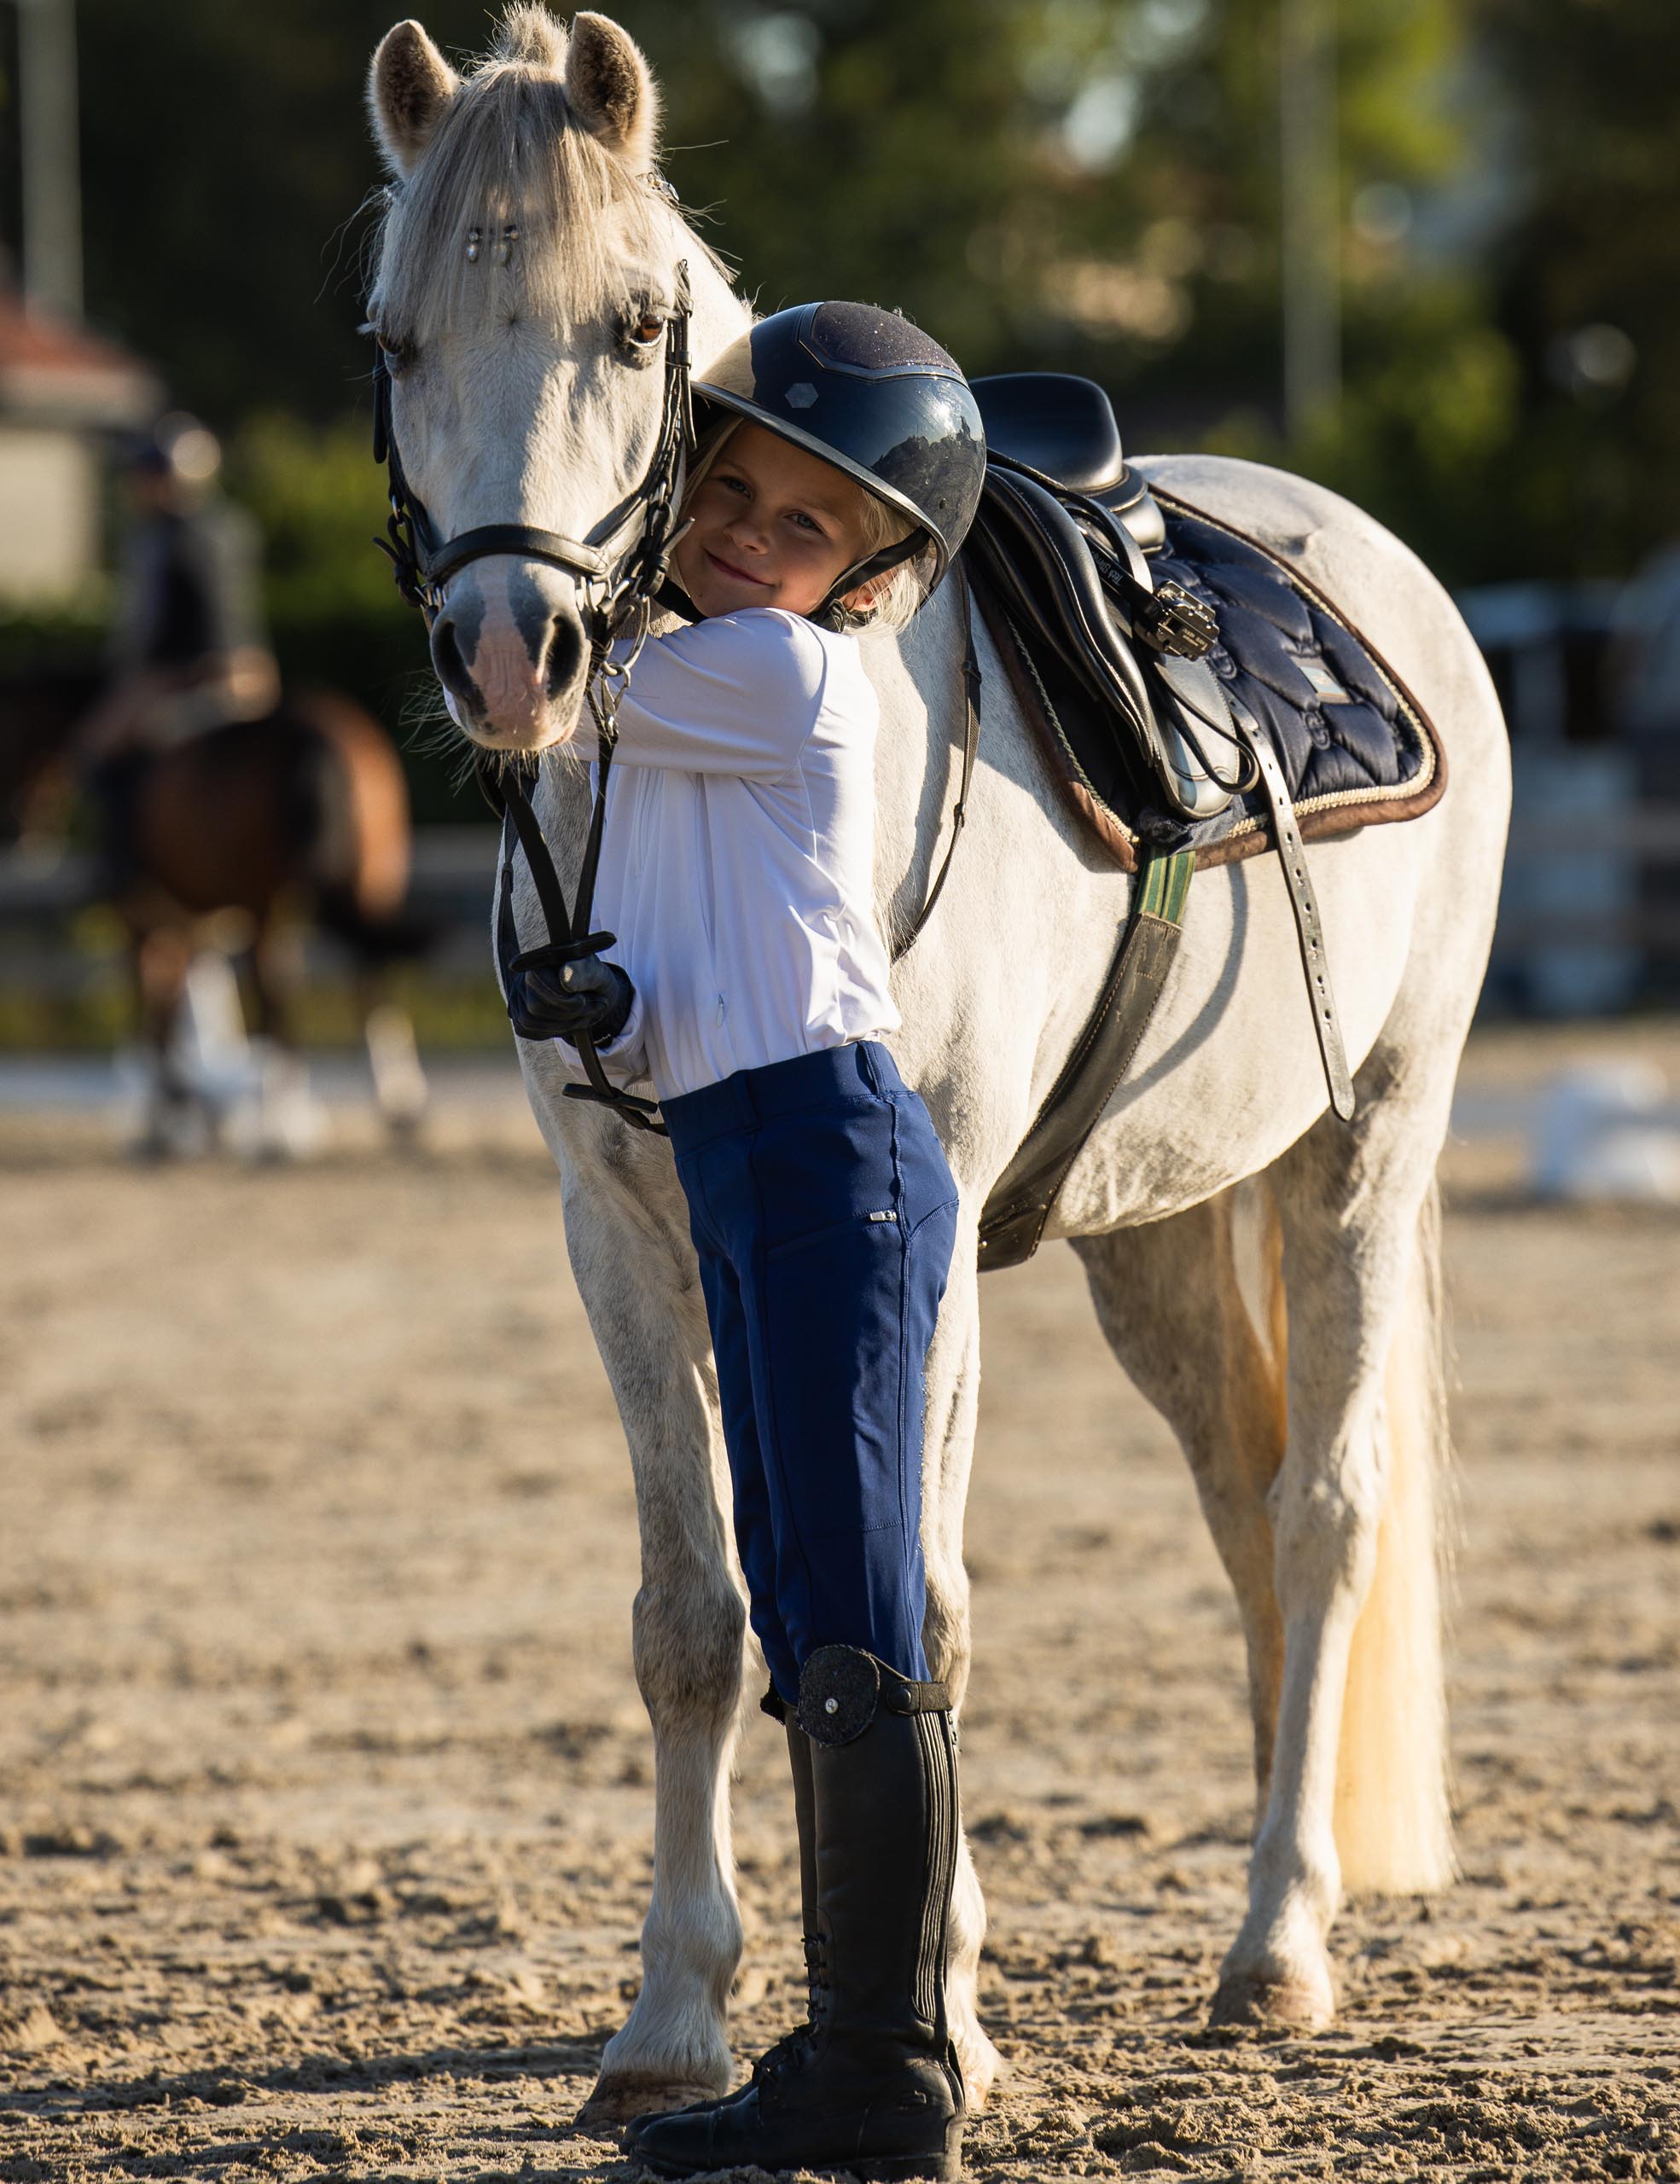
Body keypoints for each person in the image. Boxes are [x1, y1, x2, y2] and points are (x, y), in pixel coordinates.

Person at [503, 303, 985, 2182]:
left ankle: (888, 2068)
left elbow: (553, 669)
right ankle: (857, 2050)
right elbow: (683, 968)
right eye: (724, 486)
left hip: (826, 1155)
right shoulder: (696, 719)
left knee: (854, 1615)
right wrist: (605, 1006)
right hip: (749, 1145)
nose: (735, 533)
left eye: (799, 523)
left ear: (864, 588)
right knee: (806, 1605)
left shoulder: (786, 677)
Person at [76, 413, 277, 895]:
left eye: (149, 476)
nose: (139, 487)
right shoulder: (233, 525)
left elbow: (155, 633)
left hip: (197, 678)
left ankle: (125, 868)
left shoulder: (166, 539)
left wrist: (132, 674)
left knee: (100, 748)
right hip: (257, 675)